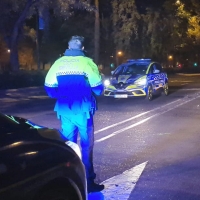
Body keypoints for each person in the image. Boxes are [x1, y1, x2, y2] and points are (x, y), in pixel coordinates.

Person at [44, 35, 104, 193]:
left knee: (69, 146)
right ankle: (88, 182)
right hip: (83, 110)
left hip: (64, 110)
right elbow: (98, 88)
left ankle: (69, 180)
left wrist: (64, 94)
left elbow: (49, 89)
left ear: (68, 48)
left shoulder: (58, 63)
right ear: (83, 48)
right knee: (86, 145)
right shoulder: (87, 63)